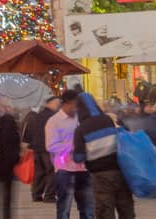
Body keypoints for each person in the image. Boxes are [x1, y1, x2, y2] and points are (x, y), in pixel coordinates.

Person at [71, 93, 127, 219]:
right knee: (125, 207)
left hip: (101, 175)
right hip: (121, 170)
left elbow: (79, 157)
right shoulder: (109, 119)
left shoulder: (81, 129)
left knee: (105, 209)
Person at [45, 90, 92, 219]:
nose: (76, 108)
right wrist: (74, 146)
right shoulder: (54, 121)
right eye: (74, 104)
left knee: (87, 208)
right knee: (64, 208)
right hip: (65, 169)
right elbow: (51, 145)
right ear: (66, 104)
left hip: (83, 168)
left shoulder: (81, 118)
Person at [22, 97, 60, 203]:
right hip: (48, 149)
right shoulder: (53, 117)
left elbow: (30, 131)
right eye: (56, 103)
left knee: (39, 172)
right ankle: (49, 195)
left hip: (37, 148)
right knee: (51, 171)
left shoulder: (37, 116)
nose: (58, 105)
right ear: (50, 103)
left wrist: (29, 145)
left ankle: (36, 194)